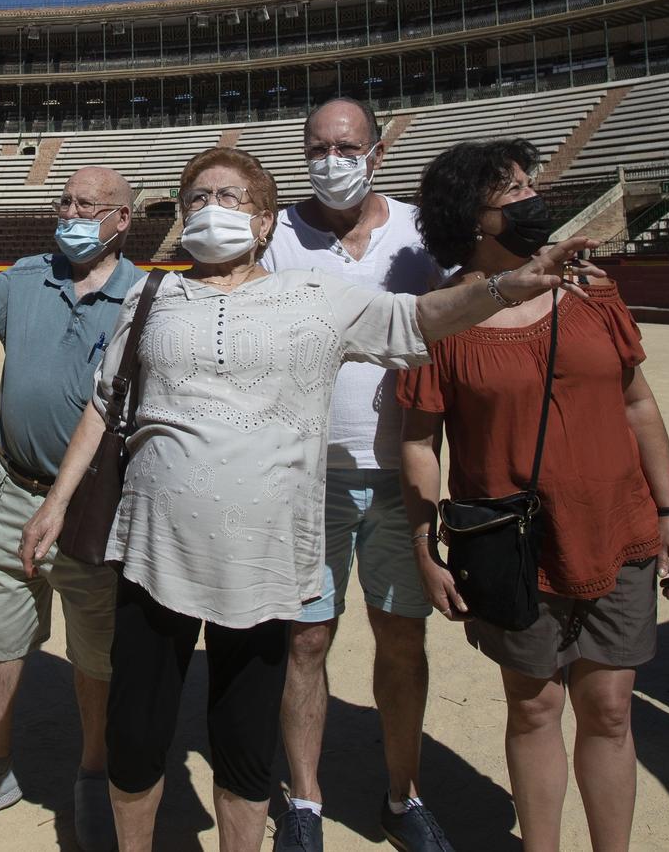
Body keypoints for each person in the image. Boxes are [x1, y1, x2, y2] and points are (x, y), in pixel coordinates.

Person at [20, 147, 599, 852]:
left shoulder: (317, 298)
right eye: (195, 197)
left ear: (265, 222)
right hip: (153, 551)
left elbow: (420, 320)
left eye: (229, 197)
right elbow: (105, 403)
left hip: (264, 559)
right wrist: (58, 500)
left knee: (243, 740)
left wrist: (505, 286)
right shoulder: (152, 295)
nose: (209, 209)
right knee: (137, 734)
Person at [397, 139, 669, 852]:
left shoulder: (593, 289)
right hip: (512, 545)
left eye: (531, 184)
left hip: (616, 526)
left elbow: (638, 406)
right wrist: (425, 545)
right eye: (514, 192)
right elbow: (418, 442)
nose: (534, 201)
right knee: (534, 706)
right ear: (472, 219)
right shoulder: (441, 318)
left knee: (611, 706)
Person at [0, 163, 145, 850]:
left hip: (97, 506)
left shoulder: (146, 297)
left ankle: (93, 771)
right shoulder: (26, 276)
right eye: (64, 200)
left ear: (122, 220)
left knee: (95, 646)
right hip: (14, 489)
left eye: (88, 205)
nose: (70, 213)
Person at [260, 100, 450, 852]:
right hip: (306, 476)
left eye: (345, 146)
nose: (330, 159)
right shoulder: (275, 235)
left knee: (403, 639)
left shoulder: (419, 233)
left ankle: (402, 796)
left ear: (375, 152)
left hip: (405, 472)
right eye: (317, 147)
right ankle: (305, 804)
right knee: (306, 641)